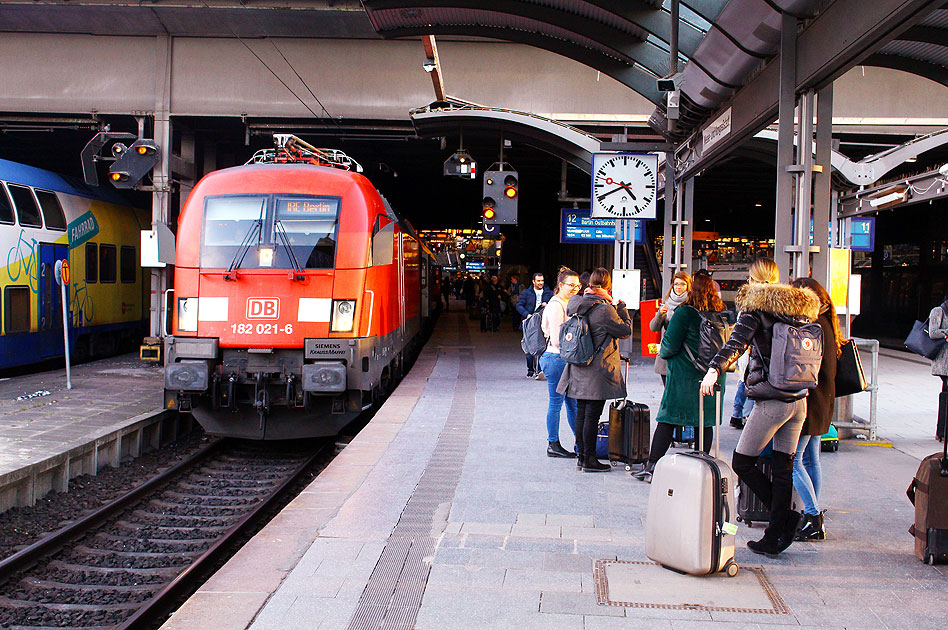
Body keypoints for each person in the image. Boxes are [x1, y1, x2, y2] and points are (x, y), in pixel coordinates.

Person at [700, 258, 820, 556]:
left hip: (771, 402)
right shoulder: (800, 307)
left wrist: (714, 369)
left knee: (742, 462)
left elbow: (736, 343)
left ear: (753, 280)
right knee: (783, 467)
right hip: (799, 399)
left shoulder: (756, 308)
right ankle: (777, 532)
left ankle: (785, 520)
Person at [633, 272, 726, 482]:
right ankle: (702, 465)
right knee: (704, 422)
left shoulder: (685, 313)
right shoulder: (720, 313)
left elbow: (668, 347)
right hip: (712, 377)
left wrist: (662, 350)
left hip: (684, 376)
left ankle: (652, 465)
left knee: (668, 419)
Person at [556, 267, 632, 472]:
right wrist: (622, 309)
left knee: (582, 412)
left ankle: (582, 456)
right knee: (592, 415)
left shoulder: (577, 303)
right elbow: (625, 331)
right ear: (607, 285)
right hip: (597, 369)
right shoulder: (605, 309)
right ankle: (589, 459)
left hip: (579, 365)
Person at [790, 277, 841, 541]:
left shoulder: (813, 327)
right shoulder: (827, 323)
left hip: (810, 401)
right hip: (823, 400)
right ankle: (814, 514)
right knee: (811, 459)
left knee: (793, 460)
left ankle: (812, 515)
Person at [539, 268, 581, 458]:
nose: (575, 289)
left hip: (563, 359)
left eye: (577, 285)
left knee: (572, 404)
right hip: (556, 359)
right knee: (557, 403)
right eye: (571, 285)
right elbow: (557, 339)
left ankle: (581, 442)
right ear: (561, 285)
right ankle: (553, 443)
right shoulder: (557, 306)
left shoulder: (567, 303)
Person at [650, 272, 691, 385]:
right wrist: (660, 315)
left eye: (683, 284)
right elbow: (654, 328)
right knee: (667, 389)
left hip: (683, 353)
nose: (679, 287)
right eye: (676, 284)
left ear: (689, 286)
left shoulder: (691, 304)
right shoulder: (667, 302)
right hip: (667, 352)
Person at [517, 273, 553, 379]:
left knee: (542, 346)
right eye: (538, 281)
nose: (541, 282)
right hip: (530, 323)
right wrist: (527, 315)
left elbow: (556, 304)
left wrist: (548, 306)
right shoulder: (526, 293)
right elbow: (519, 305)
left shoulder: (549, 293)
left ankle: (539, 370)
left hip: (543, 322)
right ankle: (530, 369)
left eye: (542, 280)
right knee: (529, 347)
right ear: (533, 281)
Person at [928, 296, 948, 441]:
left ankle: (942, 432)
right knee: (946, 394)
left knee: (946, 393)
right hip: (943, 361)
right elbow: (933, 332)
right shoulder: (938, 311)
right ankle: (941, 432)